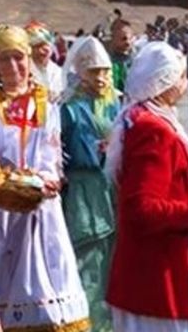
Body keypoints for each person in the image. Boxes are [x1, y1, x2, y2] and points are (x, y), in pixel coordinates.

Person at [0, 25, 88, 332]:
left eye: (19, 58)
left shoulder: (45, 102)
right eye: (4, 59)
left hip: (38, 205)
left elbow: (51, 150)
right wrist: (0, 180)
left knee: (45, 284)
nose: (13, 67)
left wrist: (42, 179)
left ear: (29, 58)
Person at [105, 40, 188, 331]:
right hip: (162, 274)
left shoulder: (150, 119)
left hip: (161, 266)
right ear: (167, 81)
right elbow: (141, 207)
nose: (186, 83)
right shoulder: (153, 130)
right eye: (182, 76)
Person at [61, 35, 119, 332]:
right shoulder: (68, 109)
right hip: (83, 193)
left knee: (111, 261)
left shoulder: (115, 104)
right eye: (94, 71)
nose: (101, 78)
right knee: (88, 262)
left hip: (110, 189)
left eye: (105, 71)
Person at [28, 22, 66, 97]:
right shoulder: (24, 73)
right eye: (38, 46)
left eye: (47, 45)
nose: (45, 49)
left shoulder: (59, 72)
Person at [109, 19, 135, 95]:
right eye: (124, 39)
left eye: (130, 39)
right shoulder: (106, 62)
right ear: (113, 38)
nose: (128, 42)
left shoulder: (138, 61)